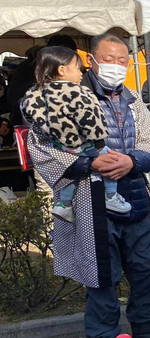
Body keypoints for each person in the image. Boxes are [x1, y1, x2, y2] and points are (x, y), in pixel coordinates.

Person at [28, 33, 150, 338]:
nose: (116, 65)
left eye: (122, 59)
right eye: (108, 57)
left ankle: (146, 335)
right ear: (91, 60)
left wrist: (131, 160)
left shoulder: (132, 101)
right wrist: (88, 164)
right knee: (102, 280)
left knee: (146, 273)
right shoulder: (68, 97)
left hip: (137, 201)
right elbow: (41, 144)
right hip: (92, 204)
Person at [21, 46, 132, 222]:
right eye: (78, 68)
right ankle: (111, 196)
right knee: (110, 162)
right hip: (84, 143)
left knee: (71, 175)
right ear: (62, 70)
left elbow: (27, 114)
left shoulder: (34, 93)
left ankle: (64, 204)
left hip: (60, 146)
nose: (82, 73)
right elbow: (91, 119)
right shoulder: (78, 91)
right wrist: (99, 142)